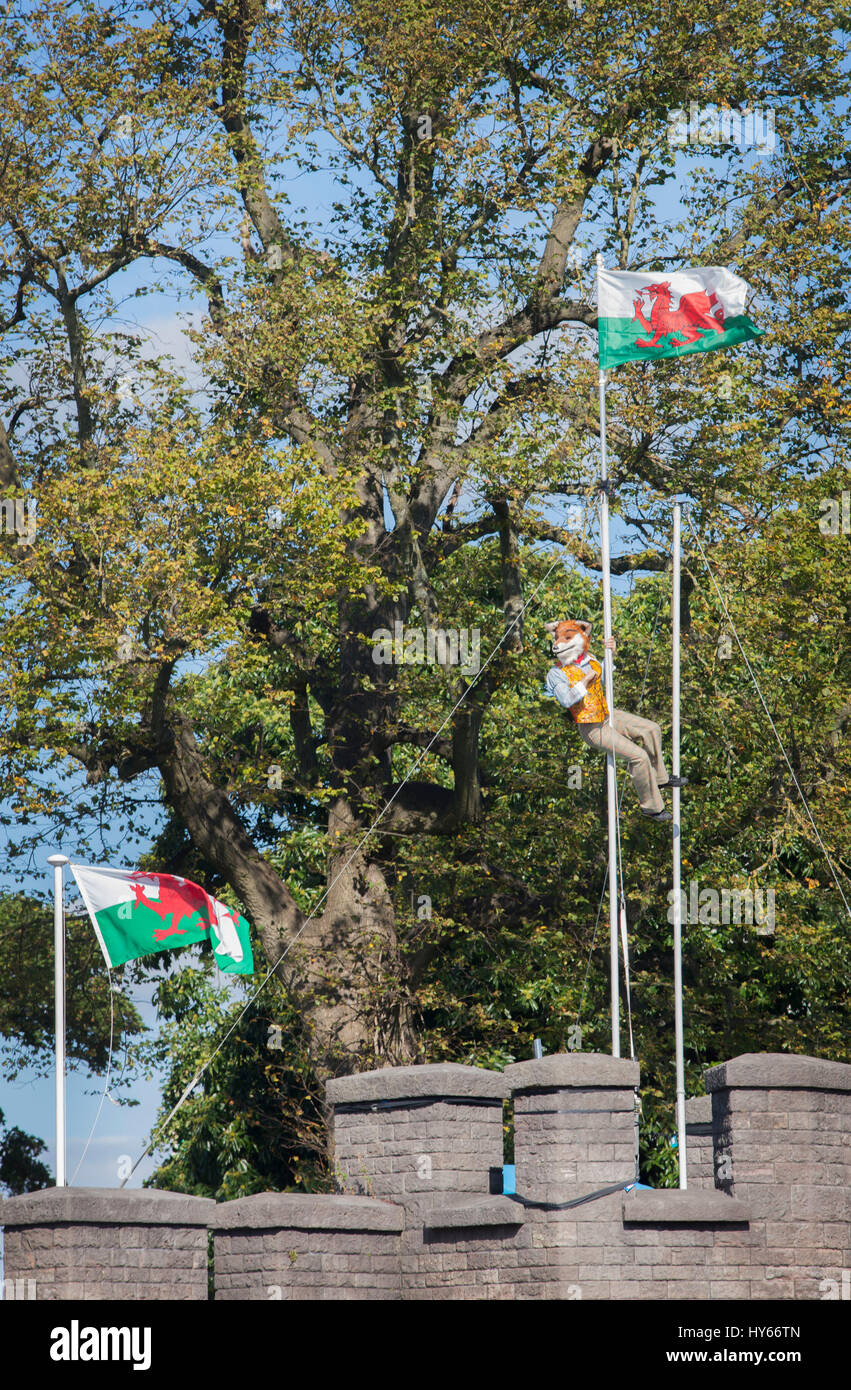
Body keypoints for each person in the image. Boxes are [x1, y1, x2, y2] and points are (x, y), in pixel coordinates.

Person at [544, 619, 686, 823]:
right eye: (557, 639)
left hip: (608, 714)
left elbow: (605, 676)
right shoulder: (556, 673)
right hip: (591, 727)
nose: (558, 643)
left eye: (566, 638)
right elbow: (566, 700)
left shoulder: (590, 659)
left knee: (651, 729)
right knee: (639, 757)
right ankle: (651, 808)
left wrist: (611, 653)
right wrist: (583, 683)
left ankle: (660, 779)